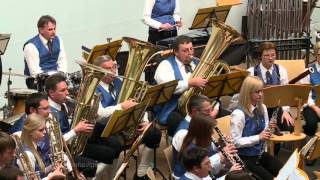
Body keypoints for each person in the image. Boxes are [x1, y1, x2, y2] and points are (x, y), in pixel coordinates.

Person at [93, 55, 162, 180]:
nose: (113, 72)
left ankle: (141, 173)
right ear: (98, 71)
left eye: (113, 68)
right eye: (108, 69)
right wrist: (121, 106)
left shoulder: (119, 82)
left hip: (126, 124)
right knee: (115, 146)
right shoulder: (94, 88)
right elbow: (99, 114)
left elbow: (136, 103)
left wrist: (145, 121)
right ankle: (113, 177)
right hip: (106, 129)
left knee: (154, 133)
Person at [45, 73, 122, 179]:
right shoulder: (48, 113)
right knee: (91, 165)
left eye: (67, 89)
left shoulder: (63, 105)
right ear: (51, 93)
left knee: (111, 151)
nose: (67, 93)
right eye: (62, 91)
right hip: (61, 154)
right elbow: (55, 144)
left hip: (72, 145)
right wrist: (76, 130)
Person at [9, 92, 97, 178]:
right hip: (43, 169)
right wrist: (75, 131)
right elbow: (32, 173)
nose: (49, 111)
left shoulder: (46, 119)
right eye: (45, 108)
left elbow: (56, 143)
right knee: (89, 165)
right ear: (32, 110)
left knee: (91, 165)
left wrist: (64, 167)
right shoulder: (20, 132)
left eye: (49, 107)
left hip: (50, 163)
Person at [154, 35, 208, 136]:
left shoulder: (197, 63)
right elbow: (168, 88)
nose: (190, 53)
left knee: (220, 113)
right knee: (178, 122)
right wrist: (190, 82)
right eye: (185, 50)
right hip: (172, 109)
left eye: (191, 49)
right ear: (176, 52)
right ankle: (179, 146)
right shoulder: (165, 65)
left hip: (196, 106)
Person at [230, 75, 283, 180]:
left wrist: (270, 128)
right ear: (248, 92)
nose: (260, 94)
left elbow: (265, 132)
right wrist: (258, 137)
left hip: (260, 154)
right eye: (256, 92)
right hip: (245, 158)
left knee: (284, 170)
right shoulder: (238, 114)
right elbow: (234, 142)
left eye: (261, 91)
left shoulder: (262, 107)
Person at [173, 113, 240, 179]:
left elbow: (209, 154)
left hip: (205, 170)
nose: (213, 133)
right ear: (203, 132)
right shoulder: (191, 149)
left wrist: (220, 144)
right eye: (210, 131)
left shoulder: (201, 139)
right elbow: (205, 173)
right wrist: (228, 175)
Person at [17, 114, 71, 179]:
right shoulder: (28, 154)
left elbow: (39, 172)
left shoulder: (35, 145)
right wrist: (50, 177)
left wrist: (51, 167)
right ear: (30, 132)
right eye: (41, 130)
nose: (45, 132)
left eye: (45, 129)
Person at [23, 15, 67, 89]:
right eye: (50, 29)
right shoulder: (31, 46)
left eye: (54, 29)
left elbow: (62, 60)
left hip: (55, 78)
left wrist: (62, 77)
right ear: (41, 30)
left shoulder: (58, 39)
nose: (54, 32)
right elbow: (35, 73)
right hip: (36, 81)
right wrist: (53, 82)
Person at [303, 41, 320, 137]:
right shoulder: (308, 71)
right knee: (311, 124)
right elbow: (306, 95)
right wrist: (316, 109)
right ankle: (309, 148)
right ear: (315, 55)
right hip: (312, 105)